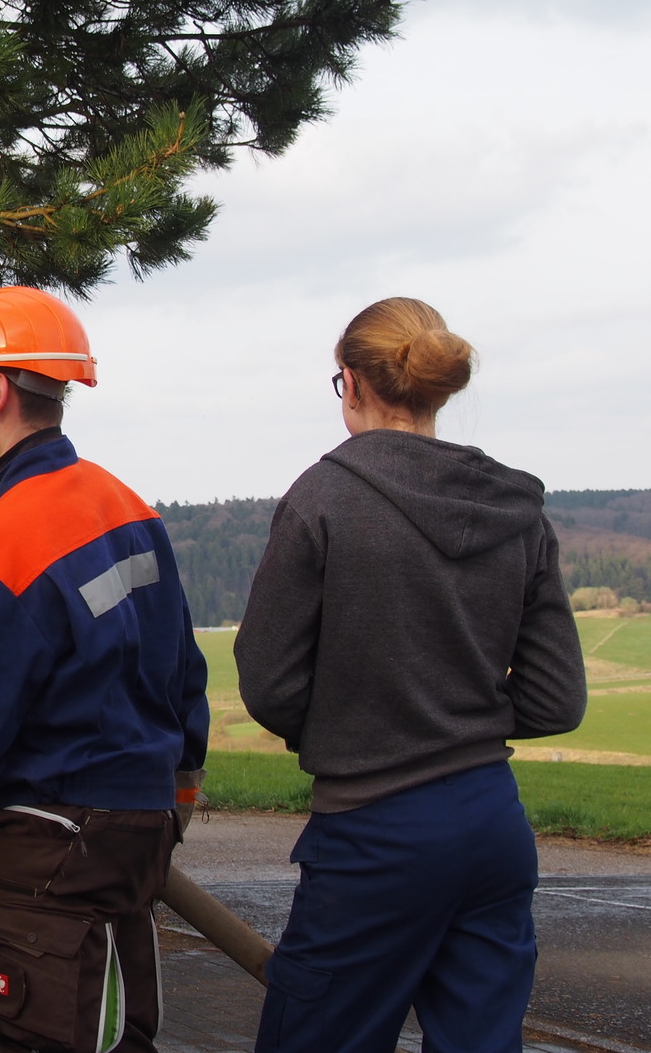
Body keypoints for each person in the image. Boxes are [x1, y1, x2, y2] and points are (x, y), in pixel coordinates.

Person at [235, 297, 587, 1053]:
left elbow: (267, 682)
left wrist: (359, 726)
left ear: (354, 383)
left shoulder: (322, 498)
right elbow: (557, 699)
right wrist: (463, 722)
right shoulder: (519, 511)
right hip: (492, 820)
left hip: (373, 830)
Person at [0, 286, 210, 1053]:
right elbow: (185, 678)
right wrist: (170, 804)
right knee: (119, 1037)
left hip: (52, 848)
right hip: (140, 834)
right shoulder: (127, 509)